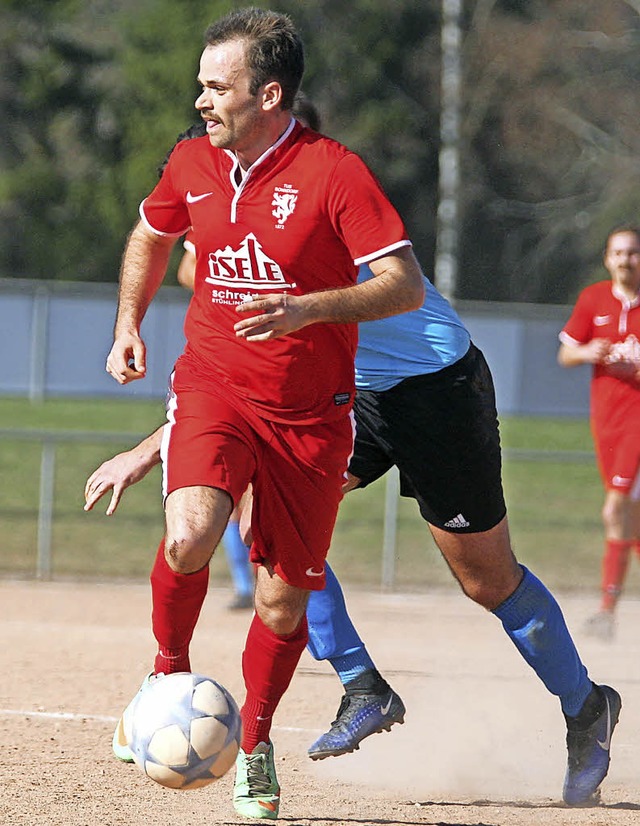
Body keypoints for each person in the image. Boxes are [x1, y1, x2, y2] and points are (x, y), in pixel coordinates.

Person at [103, 8, 424, 821]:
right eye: (201, 84)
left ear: (268, 93)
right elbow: (149, 236)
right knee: (189, 533)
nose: (202, 99)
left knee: (282, 606)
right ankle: (167, 671)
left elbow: (404, 286)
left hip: (313, 418)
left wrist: (307, 309)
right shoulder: (190, 160)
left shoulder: (334, 174)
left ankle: (253, 746)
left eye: (218, 86)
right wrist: (128, 325)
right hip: (214, 383)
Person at [558, 225, 640, 641]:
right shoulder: (594, 299)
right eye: (619, 253)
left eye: (633, 252)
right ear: (608, 259)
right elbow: (566, 352)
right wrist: (588, 351)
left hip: (638, 423)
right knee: (630, 519)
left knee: (614, 509)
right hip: (604, 421)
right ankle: (609, 607)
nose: (626, 260)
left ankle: (606, 611)